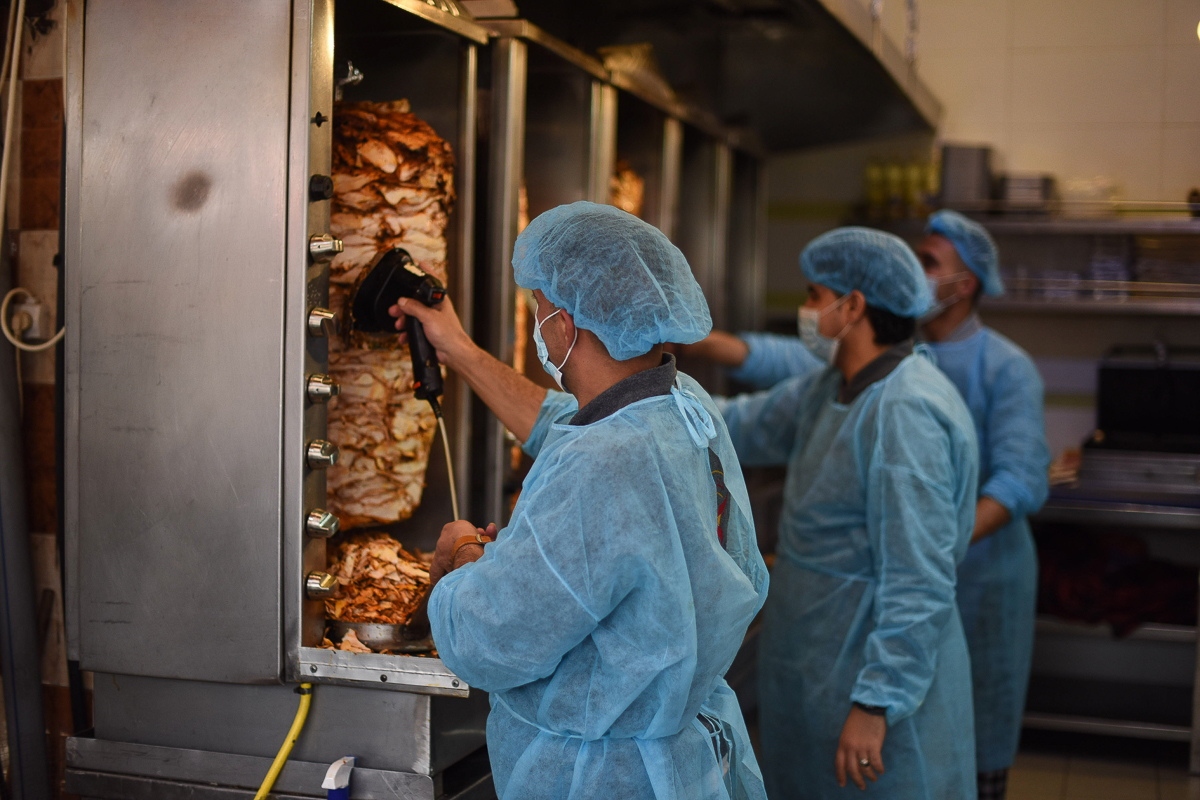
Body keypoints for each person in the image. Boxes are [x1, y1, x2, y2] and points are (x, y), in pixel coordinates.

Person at [388, 201, 770, 800]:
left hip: (603, 776)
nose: (538, 324)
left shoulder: (602, 465)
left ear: (564, 326)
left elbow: (488, 639)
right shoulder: (680, 405)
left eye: (538, 308)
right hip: (681, 756)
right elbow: (565, 421)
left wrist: (463, 554)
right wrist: (456, 349)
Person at [689, 213, 1050, 800]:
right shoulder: (831, 387)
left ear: (853, 306)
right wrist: (625, 402)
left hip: (871, 684)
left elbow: (918, 576)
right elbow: (736, 424)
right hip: (822, 668)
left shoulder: (907, 409)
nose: (807, 311)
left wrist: (877, 702)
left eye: (814, 296)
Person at [918, 210, 1049, 800]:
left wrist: (940, 542)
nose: (915, 271)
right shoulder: (905, 357)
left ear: (964, 283)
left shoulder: (1007, 366)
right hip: (919, 570)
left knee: (977, 732)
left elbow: (1020, 480)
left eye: (929, 262)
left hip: (985, 576)